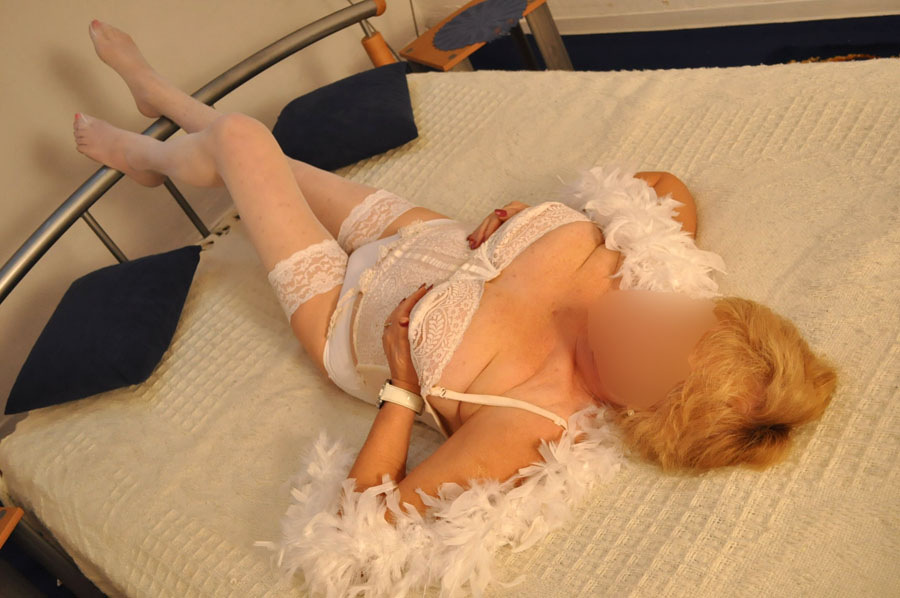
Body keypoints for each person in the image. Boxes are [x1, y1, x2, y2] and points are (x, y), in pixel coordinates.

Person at [75, 20, 838, 523]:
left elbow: (375, 520)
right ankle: (171, 124)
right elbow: (662, 188)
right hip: (423, 236)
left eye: (662, 339)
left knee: (247, 143)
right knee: (264, 161)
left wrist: (403, 389)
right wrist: (535, 218)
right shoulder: (648, 276)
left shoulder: (532, 421)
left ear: (640, 404)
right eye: (687, 314)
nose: (656, 309)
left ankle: (155, 147)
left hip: (344, 312)